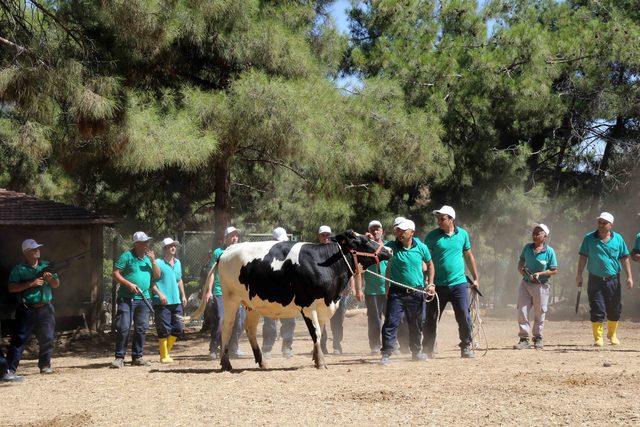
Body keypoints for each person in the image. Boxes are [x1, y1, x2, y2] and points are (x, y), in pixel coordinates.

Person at [423, 205, 479, 359]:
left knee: (464, 316)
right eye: (438, 219)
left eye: (443, 219)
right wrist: (426, 278)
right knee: (431, 318)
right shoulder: (432, 236)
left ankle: (466, 346)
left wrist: (475, 278)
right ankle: (428, 348)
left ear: (451, 219)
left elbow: (469, 256)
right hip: (437, 286)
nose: (439, 221)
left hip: (459, 283)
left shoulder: (463, 235)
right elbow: (425, 260)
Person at [380, 219, 434, 365]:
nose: (399, 233)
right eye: (398, 230)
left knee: (416, 323)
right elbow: (378, 254)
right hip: (396, 292)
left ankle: (416, 352)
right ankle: (386, 353)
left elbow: (430, 264)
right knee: (391, 322)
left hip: (417, 292)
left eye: (403, 231)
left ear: (412, 232)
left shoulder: (421, 247)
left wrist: (431, 284)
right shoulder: (391, 246)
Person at [576, 212, 633, 346]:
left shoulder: (618, 239)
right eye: (599, 222)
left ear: (611, 225)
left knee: (615, 308)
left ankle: (612, 335)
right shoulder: (589, 238)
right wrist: (579, 274)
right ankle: (598, 337)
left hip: (613, 279)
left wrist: (629, 276)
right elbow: (583, 257)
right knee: (597, 308)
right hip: (595, 279)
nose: (601, 225)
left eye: (604, 223)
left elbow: (625, 258)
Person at [5, 239, 59, 376]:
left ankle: (45, 365)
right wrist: (31, 284)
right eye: (34, 249)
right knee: (19, 339)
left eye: (38, 248)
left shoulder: (47, 266)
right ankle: (9, 369)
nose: (37, 250)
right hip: (26, 309)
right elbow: (11, 288)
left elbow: (56, 284)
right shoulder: (19, 269)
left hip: (46, 308)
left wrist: (50, 279)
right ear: (26, 252)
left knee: (47, 338)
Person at [111, 232, 162, 368]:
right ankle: (119, 357)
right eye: (144, 242)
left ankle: (137, 357)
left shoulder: (148, 259)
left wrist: (153, 261)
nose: (147, 245)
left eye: (148, 242)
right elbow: (115, 273)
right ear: (137, 244)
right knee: (124, 327)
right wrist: (129, 284)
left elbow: (157, 276)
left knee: (141, 328)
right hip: (126, 298)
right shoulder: (127, 256)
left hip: (144, 299)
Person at [514, 224, 558, 350]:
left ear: (545, 236)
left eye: (538, 233)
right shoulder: (527, 248)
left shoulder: (549, 252)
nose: (535, 235)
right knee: (522, 311)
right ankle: (523, 339)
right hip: (526, 284)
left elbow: (554, 270)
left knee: (539, 312)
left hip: (541, 286)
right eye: (534, 232)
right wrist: (520, 268)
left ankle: (538, 338)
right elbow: (521, 260)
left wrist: (540, 274)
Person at [205, 226, 246, 359]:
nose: (235, 238)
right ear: (225, 238)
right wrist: (208, 291)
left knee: (239, 322)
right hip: (220, 291)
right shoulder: (218, 252)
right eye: (232, 236)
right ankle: (214, 348)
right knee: (221, 319)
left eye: (236, 235)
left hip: (237, 293)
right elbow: (211, 272)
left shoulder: (240, 252)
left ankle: (233, 348)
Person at [262, 227, 296, 358]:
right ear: (273, 240)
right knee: (269, 323)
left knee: (290, 321)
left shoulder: (290, 255)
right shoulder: (266, 256)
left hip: (286, 294)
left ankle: (287, 348)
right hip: (270, 295)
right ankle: (266, 350)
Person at [153, 237, 187, 363]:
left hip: (176, 300)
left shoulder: (178, 262)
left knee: (178, 327)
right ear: (164, 248)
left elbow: (179, 279)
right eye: (170, 246)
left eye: (174, 245)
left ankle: (165, 352)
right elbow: (151, 282)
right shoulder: (157, 262)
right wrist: (160, 294)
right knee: (164, 329)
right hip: (162, 302)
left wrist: (183, 295)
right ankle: (164, 356)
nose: (173, 248)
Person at [318, 225, 350, 355]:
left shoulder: (338, 251)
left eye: (327, 234)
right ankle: (322, 345)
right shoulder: (315, 251)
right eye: (323, 235)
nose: (325, 237)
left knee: (337, 319)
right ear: (319, 236)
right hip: (320, 292)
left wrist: (347, 286)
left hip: (338, 291)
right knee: (320, 320)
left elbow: (347, 269)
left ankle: (337, 345)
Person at [364, 220, 388, 355]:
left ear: (382, 231)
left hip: (387, 289)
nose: (375, 231)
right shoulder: (365, 247)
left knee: (390, 317)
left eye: (378, 229)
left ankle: (390, 342)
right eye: (372, 229)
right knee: (374, 319)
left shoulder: (388, 246)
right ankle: (375, 345)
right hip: (371, 290)